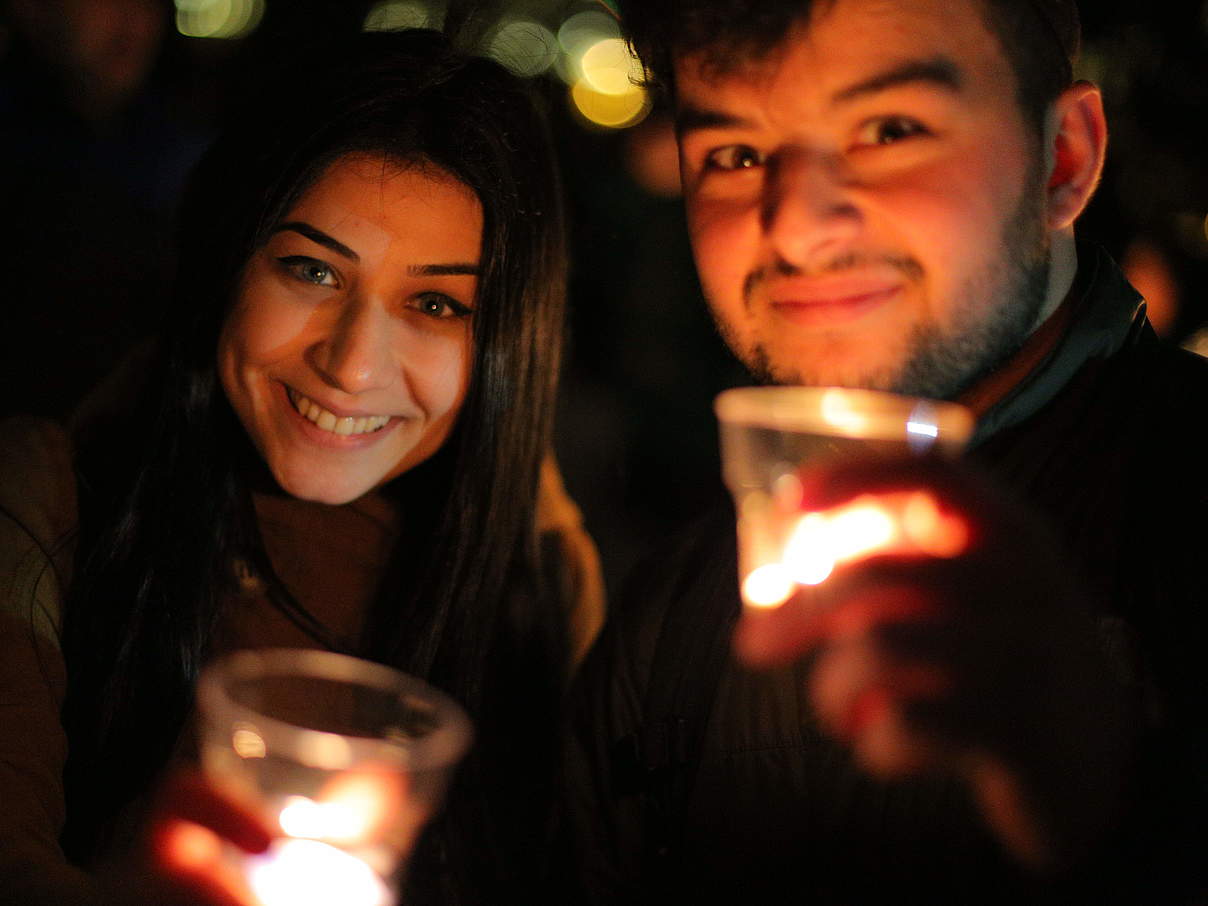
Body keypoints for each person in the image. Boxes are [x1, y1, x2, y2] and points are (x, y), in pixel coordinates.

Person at [563, 0, 1208, 902]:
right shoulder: (667, 621)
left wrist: (1112, 807)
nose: (794, 225)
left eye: (889, 129)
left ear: (1063, 159)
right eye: (736, 155)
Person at [0, 27, 602, 906]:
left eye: (435, 303)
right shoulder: (51, 500)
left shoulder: (536, 579)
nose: (353, 365)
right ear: (226, 264)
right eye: (311, 271)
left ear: (508, 345)